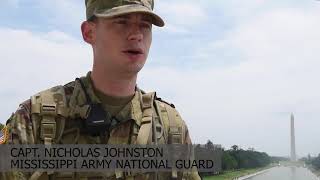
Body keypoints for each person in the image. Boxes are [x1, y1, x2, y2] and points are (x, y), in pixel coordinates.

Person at [1, 0, 201, 179]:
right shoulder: (34, 119)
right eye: (121, 22)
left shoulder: (170, 126)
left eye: (145, 26)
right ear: (89, 32)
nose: (136, 35)